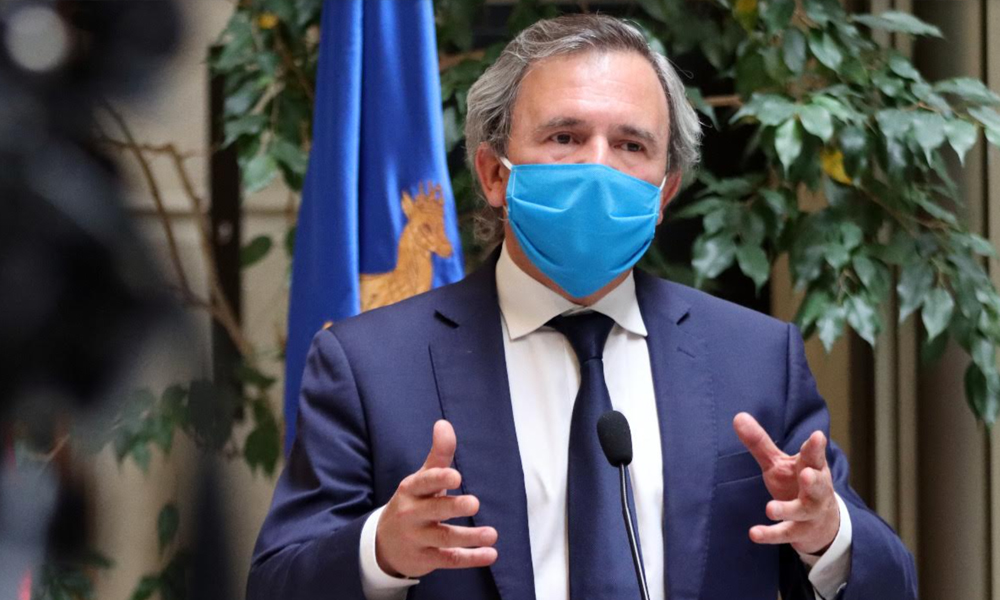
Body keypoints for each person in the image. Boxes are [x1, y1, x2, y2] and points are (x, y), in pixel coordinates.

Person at [248, 14, 917, 600]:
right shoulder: (369, 365)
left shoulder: (756, 360)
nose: (599, 168)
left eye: (631, 145)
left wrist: (828, 537)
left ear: (664, 193)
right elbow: (276, 582)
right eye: (565, 137)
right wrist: (381, 552)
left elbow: (891, 583)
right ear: (494, 174)